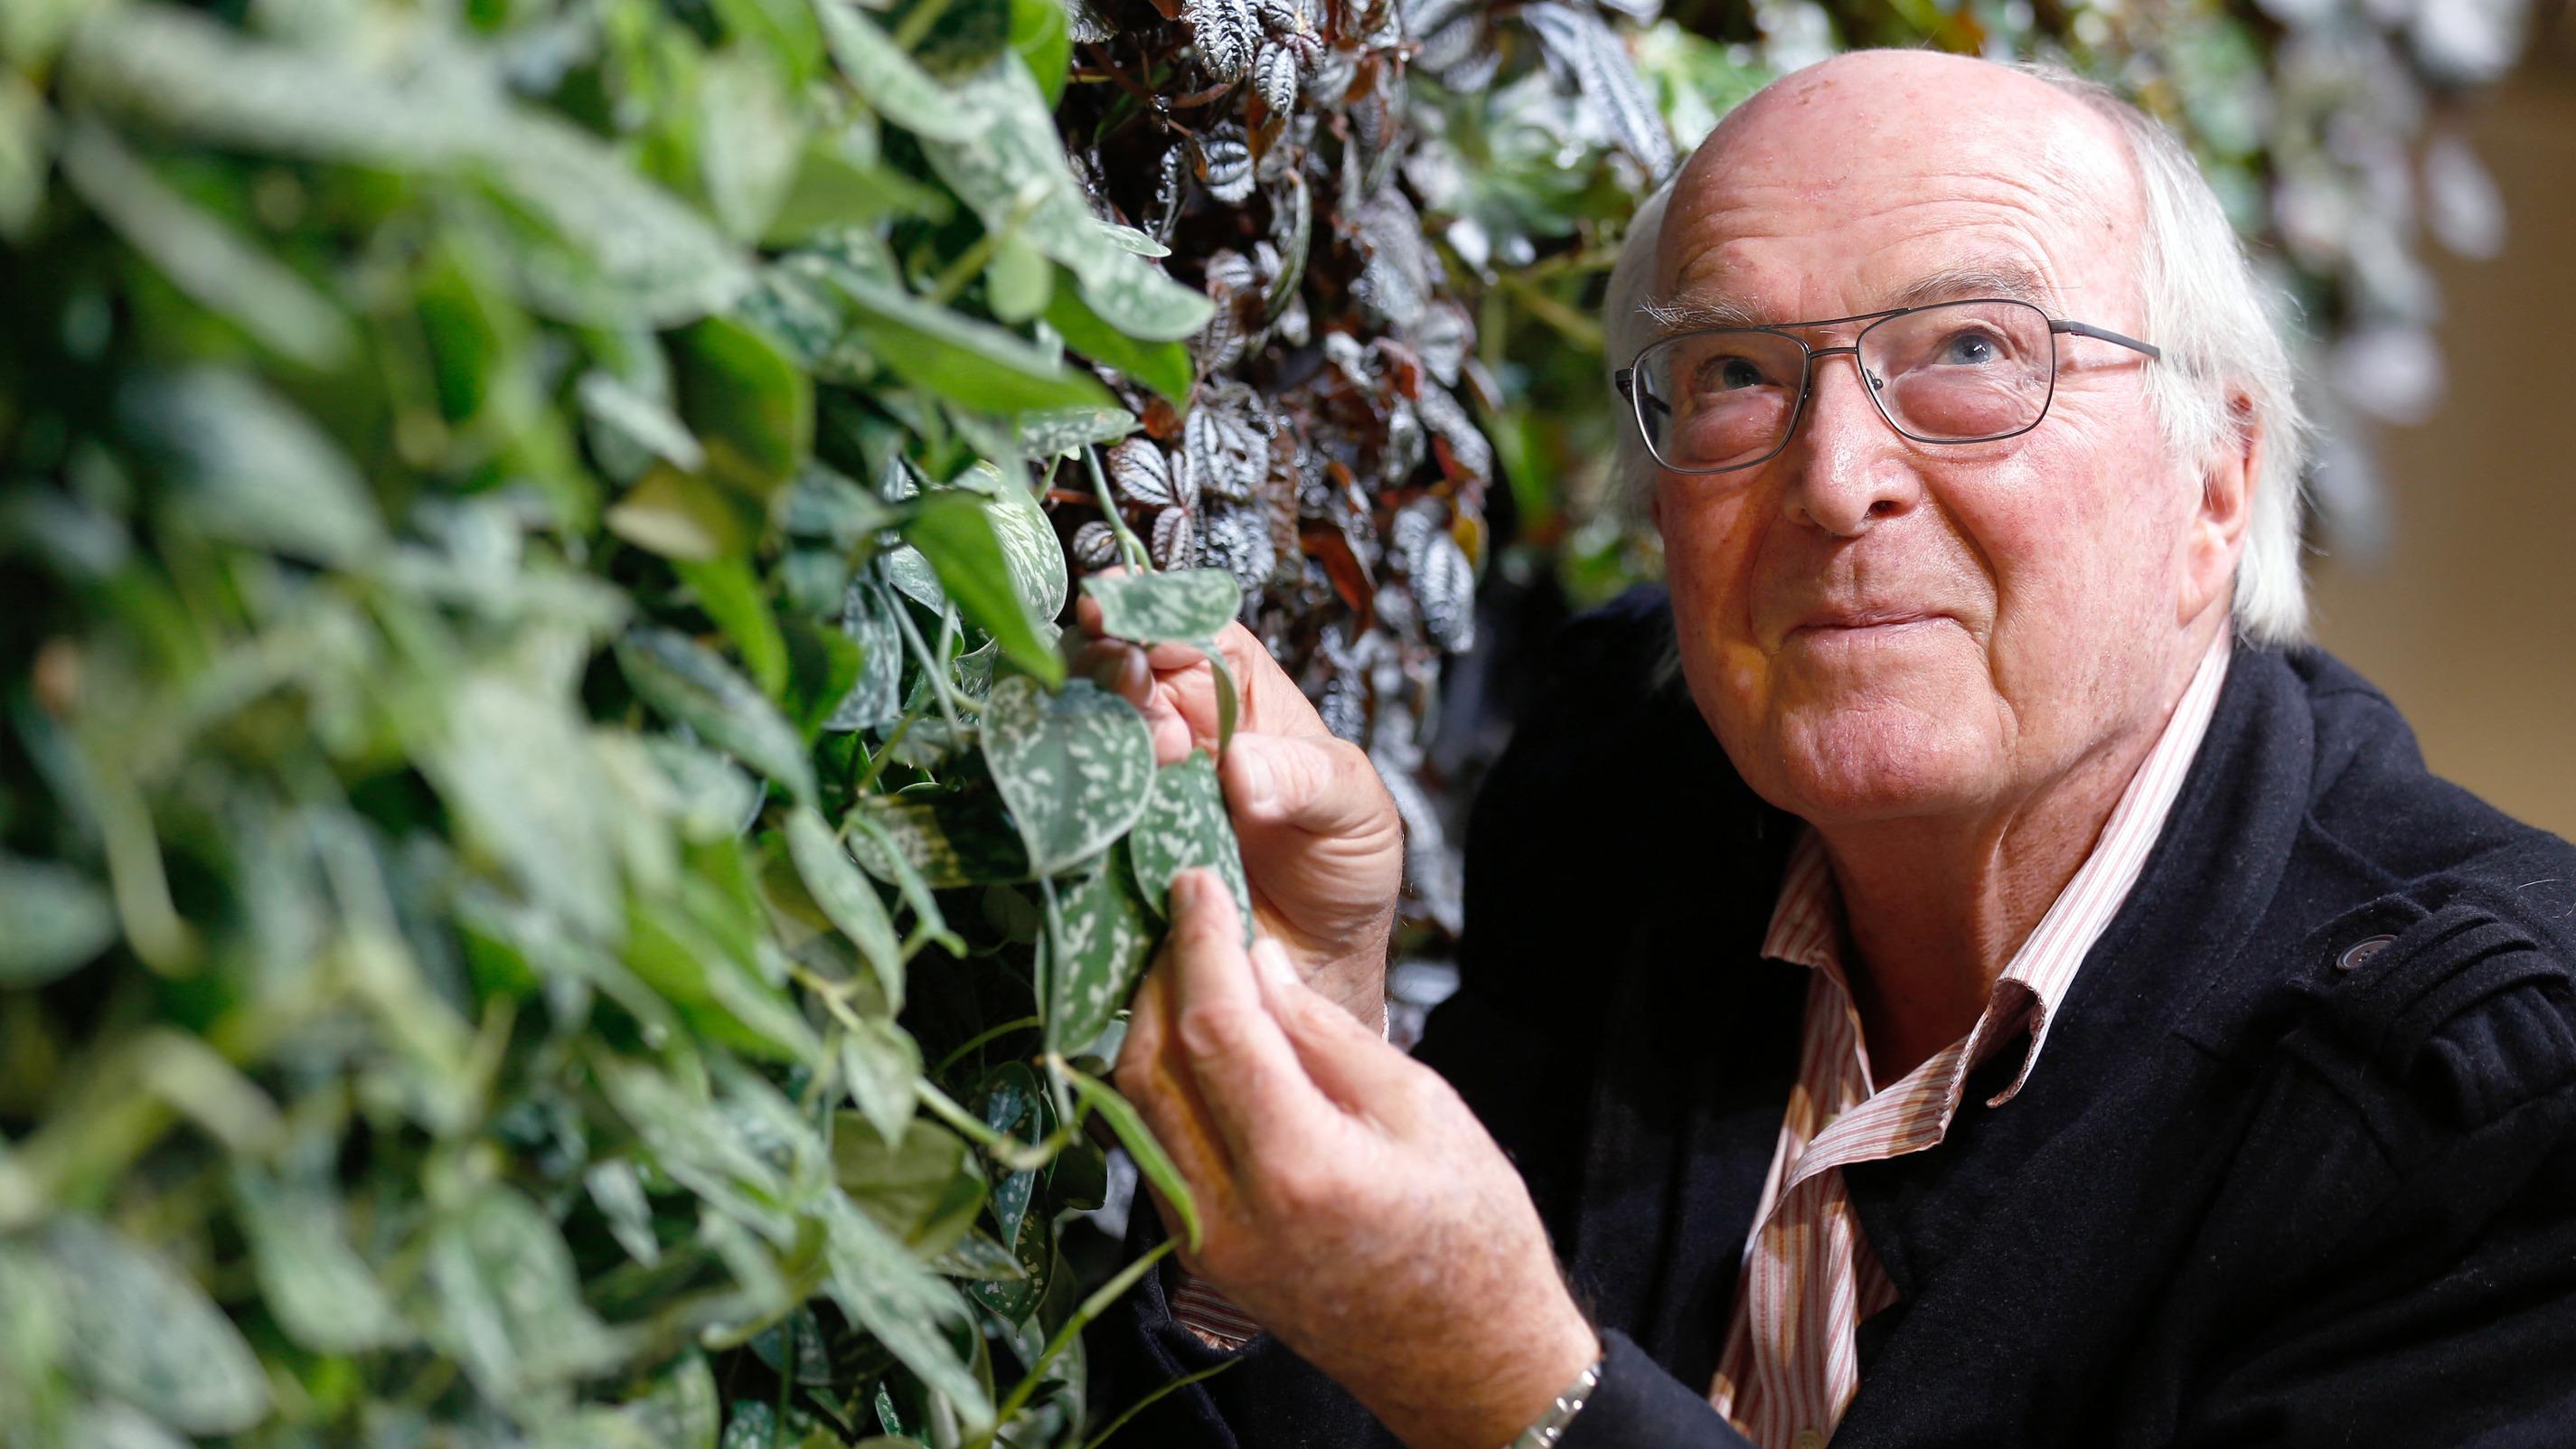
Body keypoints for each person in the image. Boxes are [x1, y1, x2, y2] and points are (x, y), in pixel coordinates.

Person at [1074, 48, 2576, 1449]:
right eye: (1733, 370)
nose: (1834, 478)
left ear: (2217, 487)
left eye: (1974, 351)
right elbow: (1361, 1374)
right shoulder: (1634, 784)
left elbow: (1464, 1360)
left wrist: (1521, 1388)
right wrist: (1305, 1025)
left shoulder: (2504, 1112)